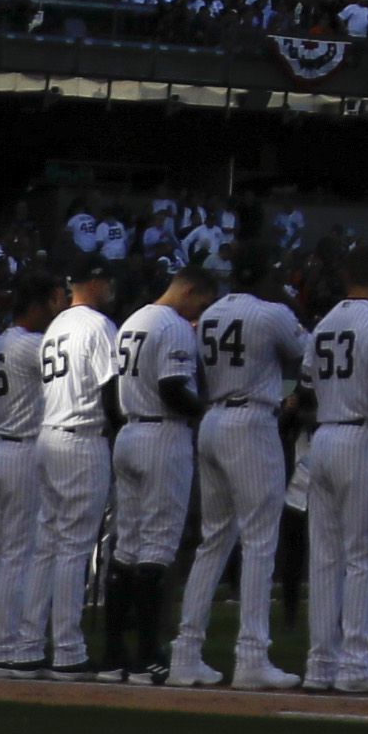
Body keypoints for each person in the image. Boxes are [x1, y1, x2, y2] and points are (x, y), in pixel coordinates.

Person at [174, 260, 311, 689]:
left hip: (213, 419)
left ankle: (186, 652)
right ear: (265, 276)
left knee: (213, 540)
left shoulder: (211, 313)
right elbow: (311, 356)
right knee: (259, 539)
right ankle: (251, 655)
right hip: (251, 422)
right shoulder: (271, 313)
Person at [99, 268, 210, 681]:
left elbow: (109, 392)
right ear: (190, 289)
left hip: (128, 432)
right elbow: (173, 388)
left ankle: (113, 655)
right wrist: (207, 413)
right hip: (162, 436)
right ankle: (148, 655)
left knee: (126, 547)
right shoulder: (174, 326)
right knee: (157, 548)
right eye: (201, 301)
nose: (200, 311)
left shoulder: (132, 321)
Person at [294, 255, 368, 693]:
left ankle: (320, 664)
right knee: (363, 556)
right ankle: (355, 662)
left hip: (325, 436)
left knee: (326, 558)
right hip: (364, 437)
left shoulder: (324, 325)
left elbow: (303, 392)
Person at [29, 266, 119, 679]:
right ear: (94, 284)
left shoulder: (55, 326)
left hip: (48, 437)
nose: (113, 289)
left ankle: (27, 645)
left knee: (47, 545)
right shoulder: (98, 325)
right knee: (73, 547)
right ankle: (67, 650)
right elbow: (111, 391)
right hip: (83, 437)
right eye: (109, 282)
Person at [0, 279, 50, 670]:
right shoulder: (31, 345)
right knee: (18, 553)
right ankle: (6, 645)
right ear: (34, 307)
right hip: (21, 449)